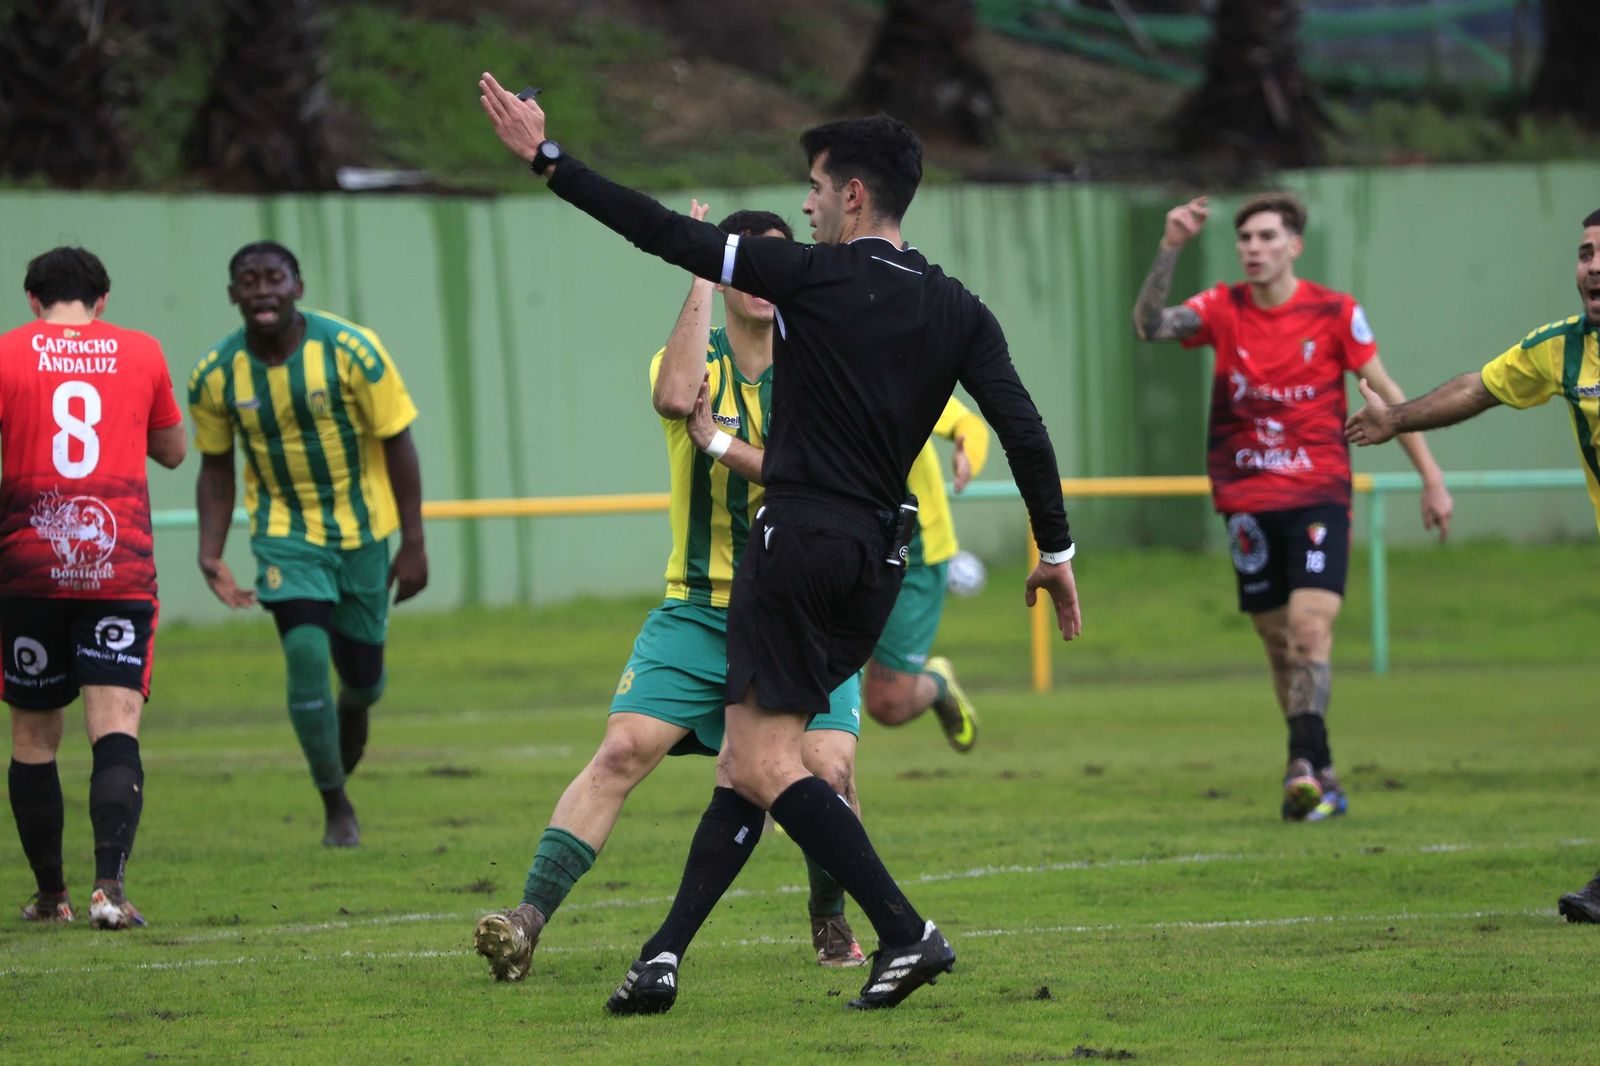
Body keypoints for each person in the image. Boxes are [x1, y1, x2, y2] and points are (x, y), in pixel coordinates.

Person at [478, 76, 1081, 1014]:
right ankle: (663, 956)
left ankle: (904, 930)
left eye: (813, 186)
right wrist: (1057, 550)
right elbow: (1025, 430)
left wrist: (548, 161)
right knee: (750, 760)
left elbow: (663, 232)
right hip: (877, 559)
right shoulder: (958, 307)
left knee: (764, 765)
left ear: (851, 195)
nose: (802, 203)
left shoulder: (810, 275)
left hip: (798, 541)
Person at [473, 205, 873, 982]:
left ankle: (830, 916)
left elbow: (805, 469)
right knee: (622, 749)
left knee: (828, 772)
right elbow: (671, 396)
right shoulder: (695, 355)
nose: (760, 278)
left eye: (773, 262)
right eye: (743, 262)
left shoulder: (817, 367)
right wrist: (700, 265)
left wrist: (719, 442)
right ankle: (526, 920)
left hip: (803, 612)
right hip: (700, 607)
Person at [1132, 192, 1453, 822]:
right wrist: (1171, 244)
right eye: (1245, 238)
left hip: (1317, 494)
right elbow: (1149, 326)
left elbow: (1389, 396)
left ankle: (1300, 767)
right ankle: (1321, 769)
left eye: (1266, 237)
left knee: (1311, 630)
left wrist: (1432, 478)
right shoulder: (1223, 308)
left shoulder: (1335, 313)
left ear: (1294, 246)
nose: (1252, 248)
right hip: (1245, 500)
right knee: (1280, 645)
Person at [1345, 206, 1600, 923]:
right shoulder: (1563, 351)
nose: (1593, 266)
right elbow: (1479, 387)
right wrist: (1396, 418)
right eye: (1584, 253)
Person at [188, 241, 427, 848]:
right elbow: (216, 468)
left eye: (274, 278)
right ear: (232, 294)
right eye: (248, 280)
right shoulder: (215, 374)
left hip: (363, 535)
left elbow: (398, 440)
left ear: (297, 287)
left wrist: (414, 542)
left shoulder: (351, 350)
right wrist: (210, 550)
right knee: (302, 654)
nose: (261, 289)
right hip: (283, 537)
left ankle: (354, 708)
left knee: (365, 682)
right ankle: (335, 804)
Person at [2, 247, 187, 928]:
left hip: (28, 567)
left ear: (32, 299)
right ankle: (109, 887)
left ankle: (52, 897)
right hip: (118, 564)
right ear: (102, 299)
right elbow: (172, 450)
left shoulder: (7, 352)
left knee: (33, 737)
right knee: (113, 728)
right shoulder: (140, 351)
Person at [861, 398, 989, 751]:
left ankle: (938, 683)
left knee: (887, 704)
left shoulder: (892, 367)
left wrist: (967, 457)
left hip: (915, 555)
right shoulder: (802, 366)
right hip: (837, 543)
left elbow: (969, 425)